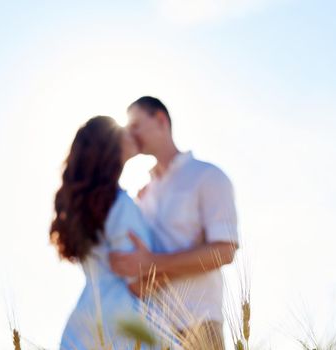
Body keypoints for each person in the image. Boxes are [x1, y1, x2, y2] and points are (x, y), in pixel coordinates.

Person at [109, 96, 239, 349]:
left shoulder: (207, 176)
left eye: (135, 125)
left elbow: (224, 251)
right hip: (149, 333)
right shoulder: (141, 196)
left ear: (160, 120)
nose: (130, 134)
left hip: (200, 325)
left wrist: (153, 264)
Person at [50, 116, 157, 349]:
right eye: (124, 131)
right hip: (122, 330)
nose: (131, 134)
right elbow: (140, 283)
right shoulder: (120, 205)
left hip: (82, 329)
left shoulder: (91, 207)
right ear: (110, 144)